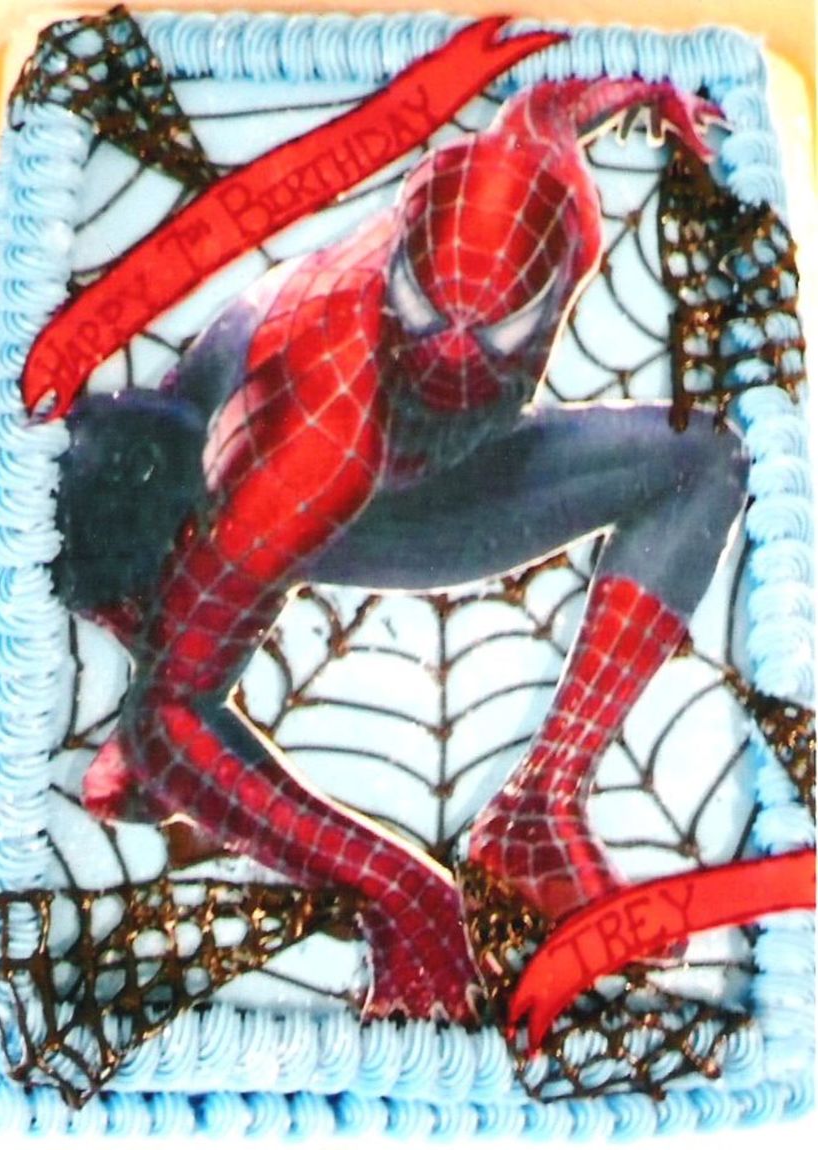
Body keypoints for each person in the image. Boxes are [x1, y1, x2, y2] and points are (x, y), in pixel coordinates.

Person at [59, 77, 748, 1023]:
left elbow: (542, 111)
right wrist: (400, 893)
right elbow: (168, 714)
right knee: (124, 539)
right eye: (426, 313)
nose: (454, 358)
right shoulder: (322, 434)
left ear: (553, 284)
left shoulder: (553, 199)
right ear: (398, 281)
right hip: (269, 463)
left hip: (413, 470)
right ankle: (148, 628)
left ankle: (537, 809)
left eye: (496, 327)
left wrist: (638, 90)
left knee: (702, 459)